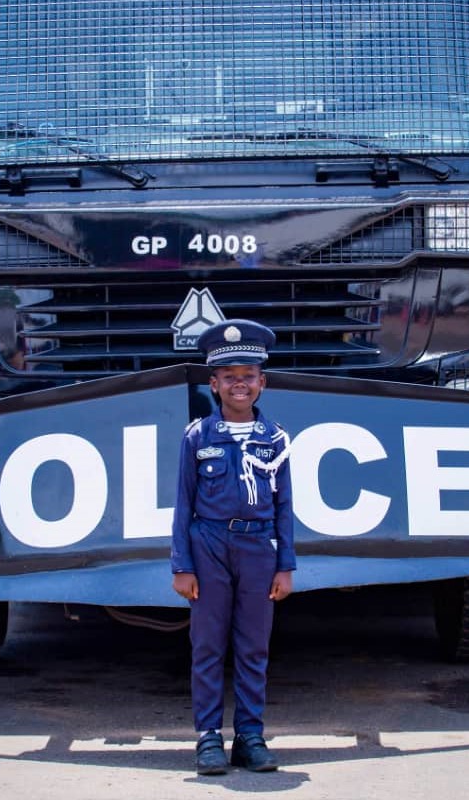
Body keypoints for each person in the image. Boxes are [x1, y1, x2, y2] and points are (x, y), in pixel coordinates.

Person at [171, 318, 296, 775]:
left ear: (262, 383)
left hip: (258, 548)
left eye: (248, 377)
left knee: (253, 647)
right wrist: (182, 565)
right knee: (207, 644)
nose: (239, 385)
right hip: (208, 546)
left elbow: (285, 508)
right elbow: (183, 506)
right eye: (229, 377)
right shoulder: (197, 436)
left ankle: (249, 736)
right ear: (214, 384)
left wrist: (286, 566)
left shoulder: (276, 440)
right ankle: (207, 738)